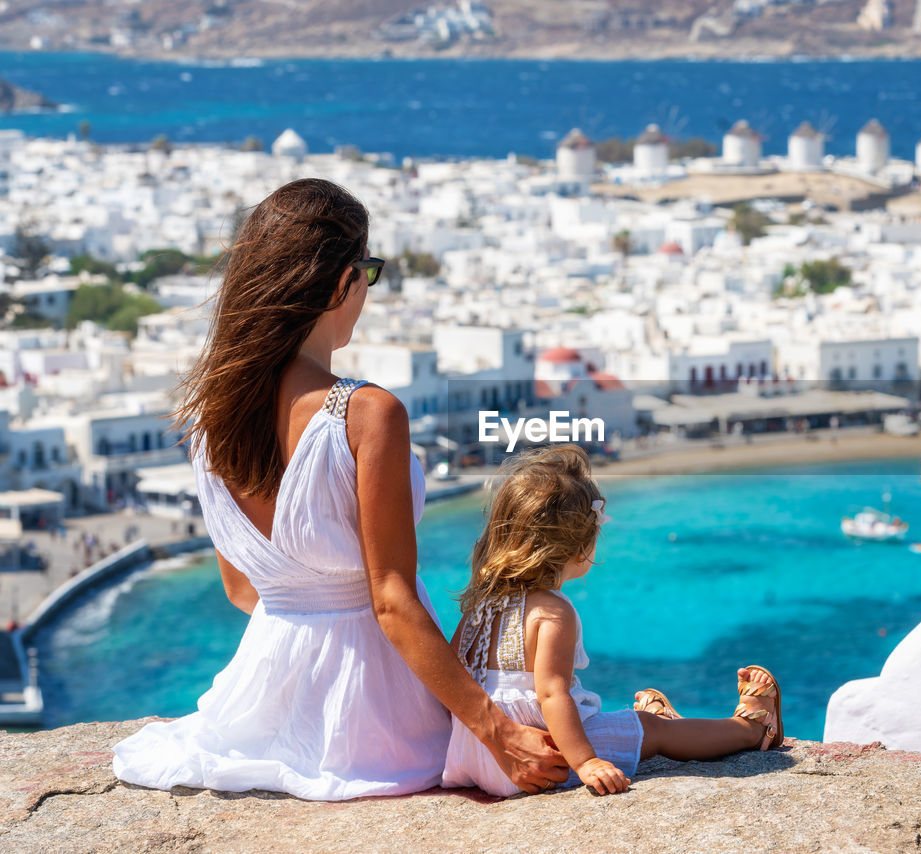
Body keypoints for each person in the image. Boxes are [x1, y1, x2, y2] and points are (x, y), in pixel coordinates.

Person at [112, 178, 568, 801]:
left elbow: (243, 589)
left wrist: (310, 625)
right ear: (339, 283)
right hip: (382, 720)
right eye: (368, 272)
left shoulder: (208, 419)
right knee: (592, 730)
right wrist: (494, 730)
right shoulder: (366, 413)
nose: (367, 292)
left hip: (258, 713)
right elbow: (391, 602)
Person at [442, 445, 783, 797]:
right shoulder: (552, 612)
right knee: (651, 730)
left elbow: (451, 672)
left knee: (633, 723)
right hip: (542, 753)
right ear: (579, 548)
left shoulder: (481, 605)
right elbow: (551, 694)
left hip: (477, 755)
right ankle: (751, 731)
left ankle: (680, 721)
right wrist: (586, 762)